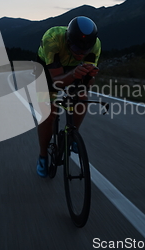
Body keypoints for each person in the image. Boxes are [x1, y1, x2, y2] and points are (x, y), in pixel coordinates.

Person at [35, 16, 101, 177]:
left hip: (71, 67)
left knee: (82, 96)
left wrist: (90, 77)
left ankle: (72, 136)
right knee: (49, 113)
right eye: (77, 50)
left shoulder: (95, 45)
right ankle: (43, 156)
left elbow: (87, 85)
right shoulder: (52, 38)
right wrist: (73, 74)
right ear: (68, 41)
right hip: (47, 68)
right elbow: (57, 82)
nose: (81, 54)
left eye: (85, 51)